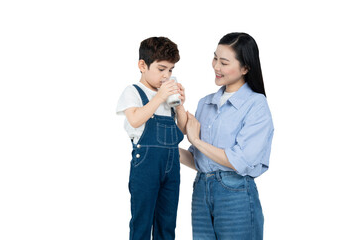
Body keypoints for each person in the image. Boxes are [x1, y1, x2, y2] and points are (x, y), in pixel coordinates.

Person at [179, 32, 274, 240]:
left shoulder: (256, 105)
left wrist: (196, 140)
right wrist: (164, 147)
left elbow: (241, 160)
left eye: (224, 62)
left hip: (236, 192)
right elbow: (199, 160)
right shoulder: (206, 103)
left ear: (245, 68)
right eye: (215, 58)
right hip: (201, 189)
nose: (216, 67)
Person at [116, 36, 187, 240]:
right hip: (146, 166)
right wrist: (159, 97)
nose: (166, 76)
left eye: (171, 70)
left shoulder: (167, 96)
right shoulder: (133, 92)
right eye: (161, 69)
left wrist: (180, 104)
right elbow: (136, 119)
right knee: (142, 222)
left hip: (171, 166)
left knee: (167, 223)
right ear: (142, 65)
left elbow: (183, 130)